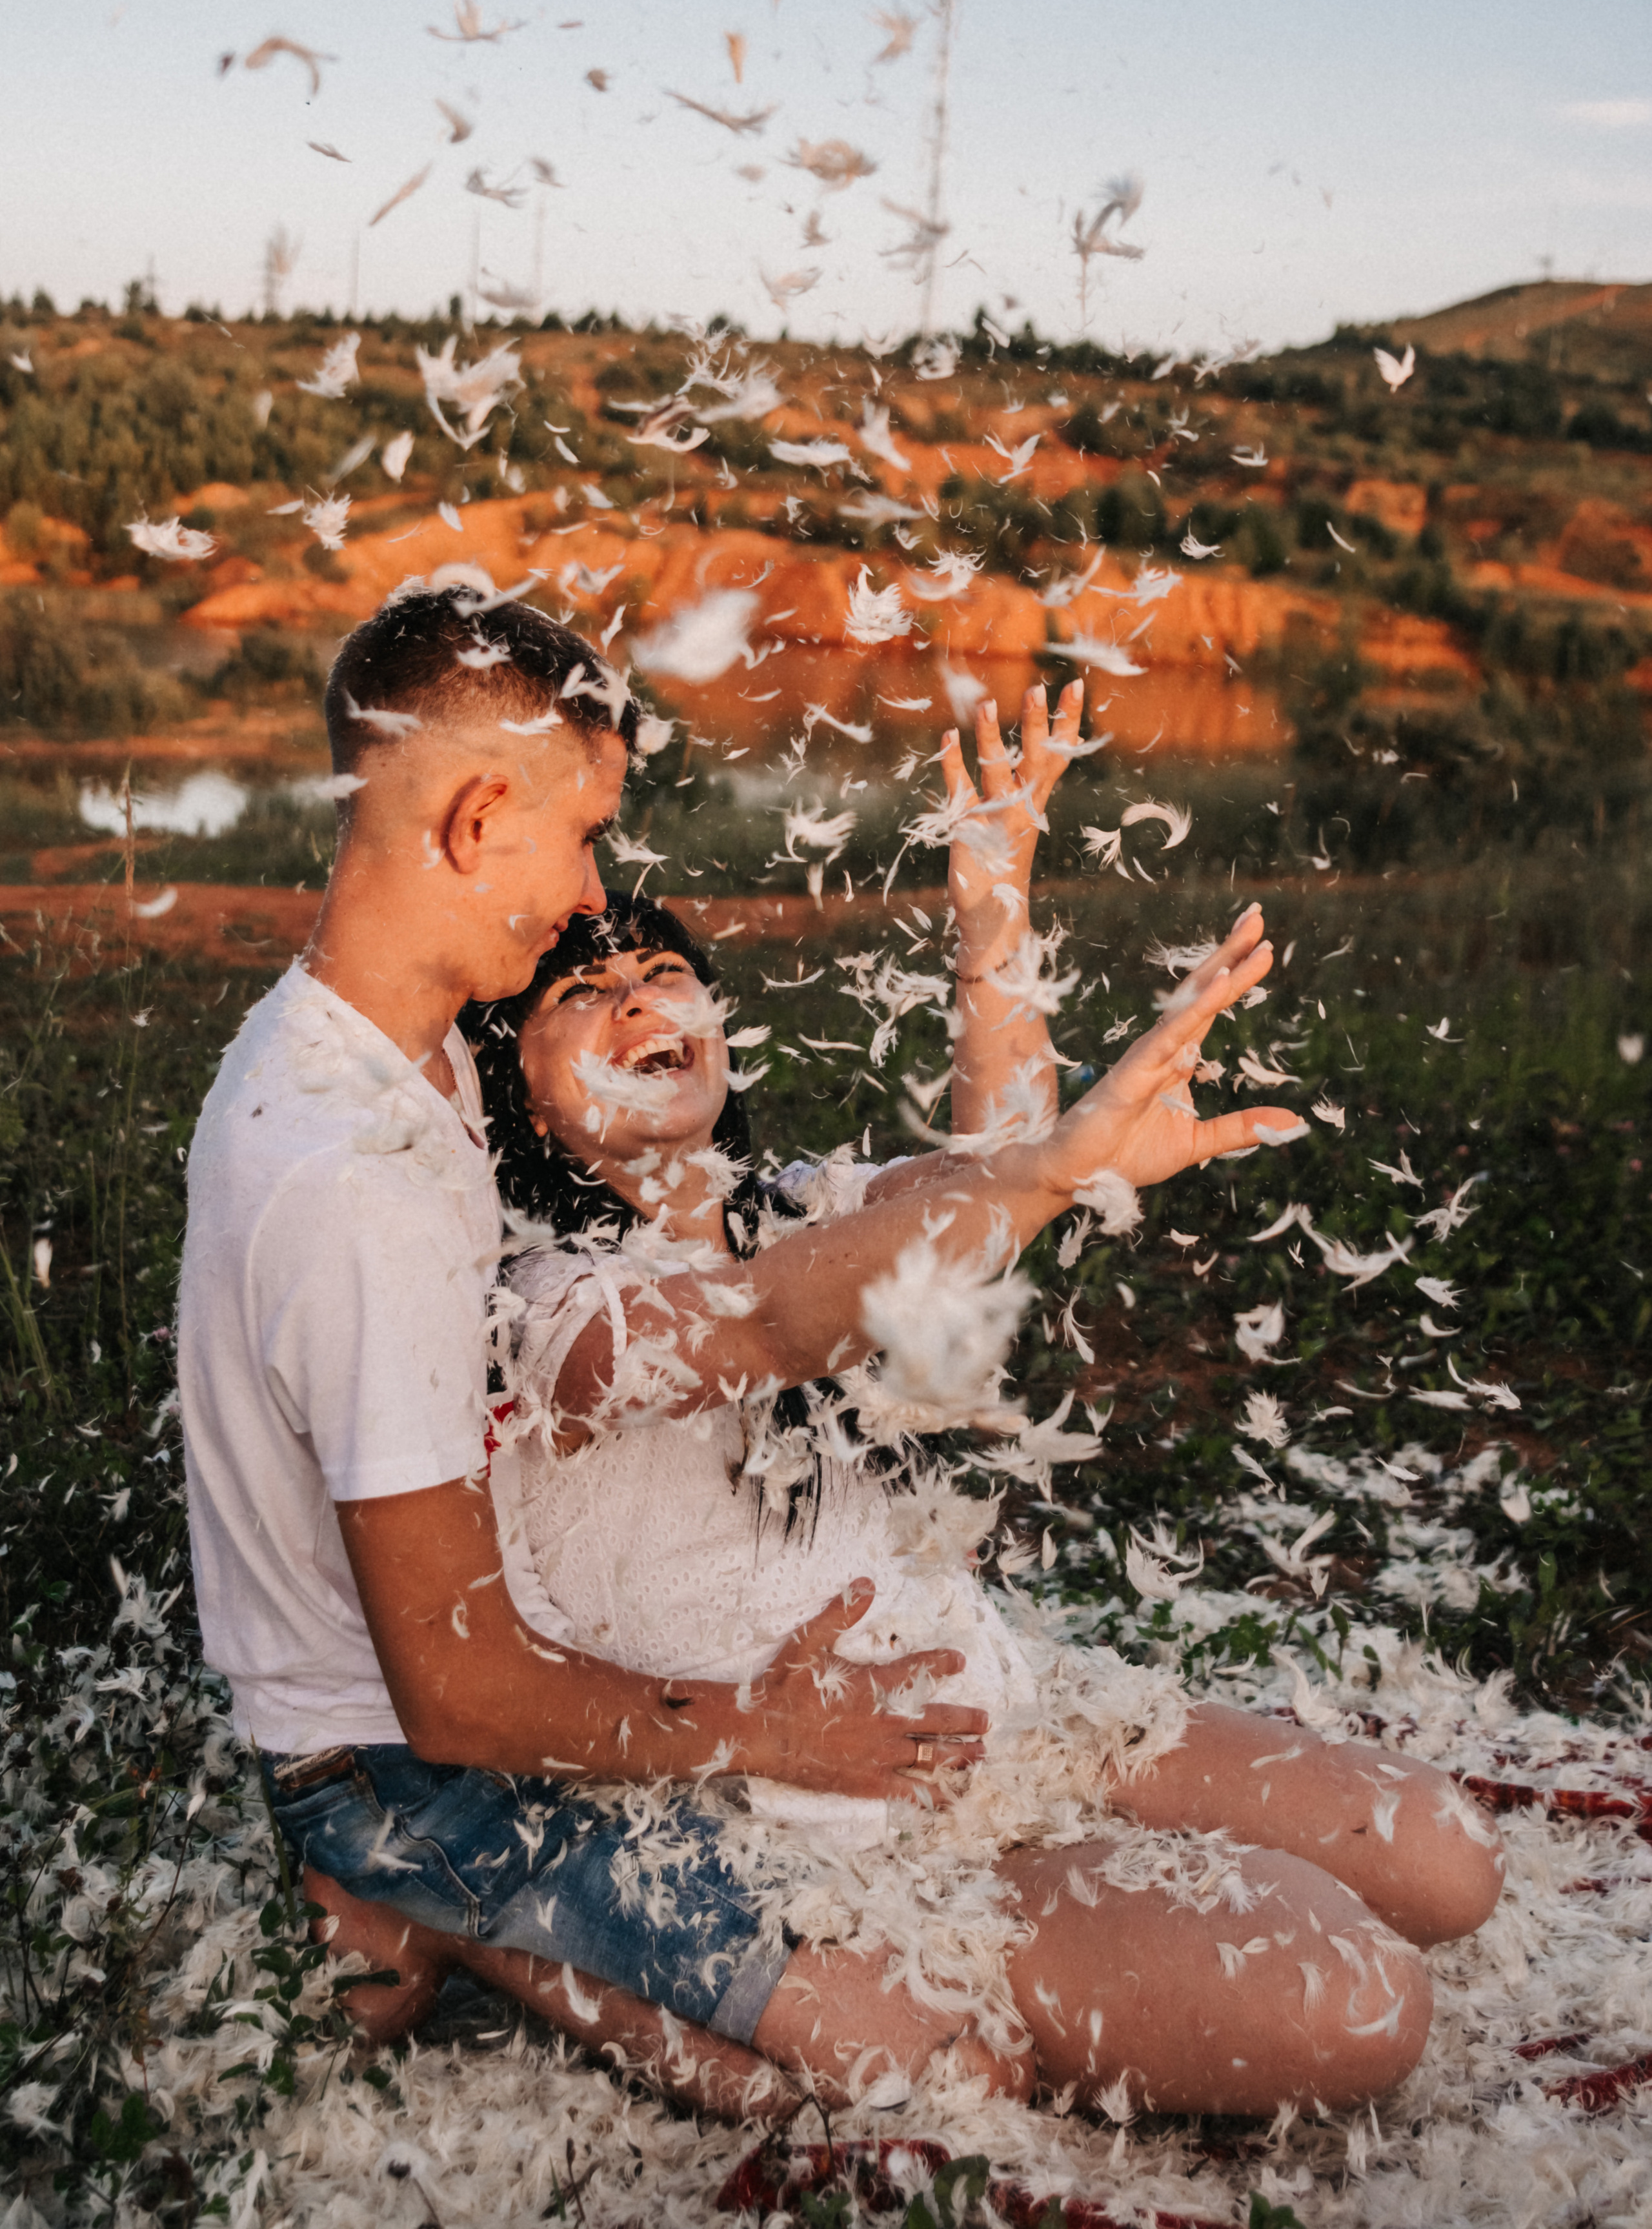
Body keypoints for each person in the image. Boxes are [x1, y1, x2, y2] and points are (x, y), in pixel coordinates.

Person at [174, 579, 1337, 2124]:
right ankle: (443, 1921)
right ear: (476, 820)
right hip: (408, 1761)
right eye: (584, 832)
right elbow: (457, 1691)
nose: (591, 896)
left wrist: (1012, 1026)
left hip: (497, 1681)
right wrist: (768, 1736)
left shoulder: (415, 1037)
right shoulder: (353, 1182)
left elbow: (898, 1230)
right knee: (925, 2076)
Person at [453, 682, 1505, 2123]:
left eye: (661, 970)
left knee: (1445, 1858)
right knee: (1357, 2001)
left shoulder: (797, 1203)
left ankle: (1112, 1873)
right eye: (583, 992)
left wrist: (992, 917)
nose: (639, 997)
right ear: (521, 1097)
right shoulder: (537, 1299)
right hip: (815, 1828)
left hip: (1004, 1716)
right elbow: (781, 1315)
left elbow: (986, 1182)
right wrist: (1049, 1174)